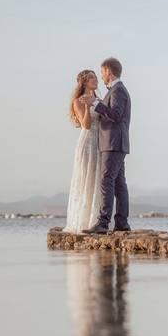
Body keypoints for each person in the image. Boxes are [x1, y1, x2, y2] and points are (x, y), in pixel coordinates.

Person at [82, 57, 131, 234]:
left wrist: (95, 104)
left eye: (102, 72)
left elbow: (116, 115)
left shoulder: (118, 91)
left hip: (113, 142)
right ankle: (121, 223)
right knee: (118, 183)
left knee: (107, 180)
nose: (101, 76)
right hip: (115, 142)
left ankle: (103, 223)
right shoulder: (116, 90)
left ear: (109, 72)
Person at [62, 69, 102, 233]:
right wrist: (87, 107)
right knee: (86, 178)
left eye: (95, 77)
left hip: (100, 143)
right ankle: (83, 222)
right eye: (92, 78)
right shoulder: (78, 101)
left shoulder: (99, 99)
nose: (96, 80)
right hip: (87, 142)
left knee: (98, 178)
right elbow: (85, 125)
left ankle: (98, 221)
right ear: (85, 82)